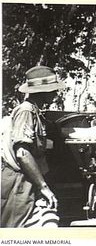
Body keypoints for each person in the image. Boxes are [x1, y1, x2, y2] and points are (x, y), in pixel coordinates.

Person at [1, 65, 65, 227]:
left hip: (27, 180)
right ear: (42, 92)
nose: (56, 94)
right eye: (53, 90)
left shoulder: (35, 112)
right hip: (18, 182)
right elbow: (22, 152)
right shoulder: (26, 111)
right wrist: (43, 187)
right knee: (15, 229)